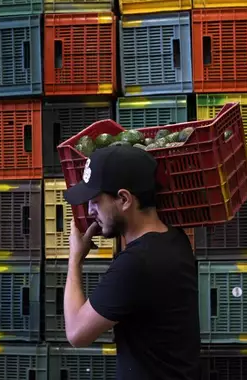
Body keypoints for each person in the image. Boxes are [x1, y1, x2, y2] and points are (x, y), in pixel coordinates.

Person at [62, 145, 200, 380]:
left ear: (124, 199)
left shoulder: (137, 264)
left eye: (95, 201)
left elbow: (77, 333)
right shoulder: (175, 240)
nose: (89, 210)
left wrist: (75, 259)